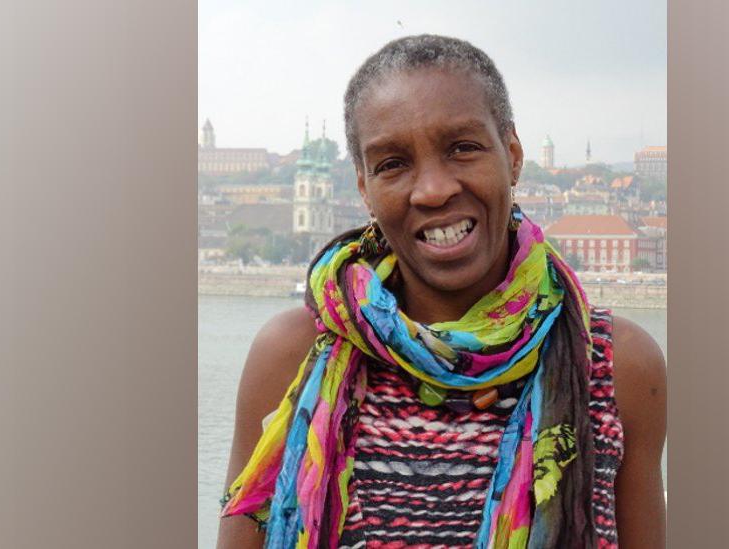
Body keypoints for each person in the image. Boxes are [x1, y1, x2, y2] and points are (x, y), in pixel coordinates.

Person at [217, 35, 666, 549]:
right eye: (392, 163)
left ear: (513, 156)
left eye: (462, 148)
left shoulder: (618, 367)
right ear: (364, 188)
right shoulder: (292, 355)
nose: (432, 189)